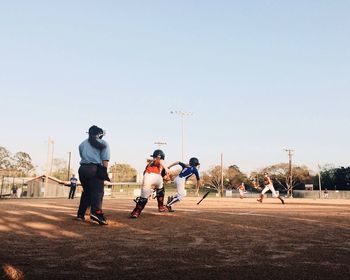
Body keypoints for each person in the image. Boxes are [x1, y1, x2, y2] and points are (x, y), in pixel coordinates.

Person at [76, 125, 110, 225]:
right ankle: (96, 213)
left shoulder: (82, 144)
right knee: (98, 192)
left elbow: (83, 156)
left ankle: (80, 214)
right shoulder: (103, 143)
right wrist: (104, 171)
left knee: (87, 192)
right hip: (94, 169)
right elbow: (105, 159)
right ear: (100, 134)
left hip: (82, 169)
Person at [130, 149, 170, 218]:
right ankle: (160, 206)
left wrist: (148, 184)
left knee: (143, 198)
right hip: (158, 177)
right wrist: (167, 169)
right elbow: (160, 161)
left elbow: (144, 173)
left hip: (148, 176)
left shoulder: (149, 163)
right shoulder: (159, 161)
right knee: (160, 189)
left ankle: (136, 212)